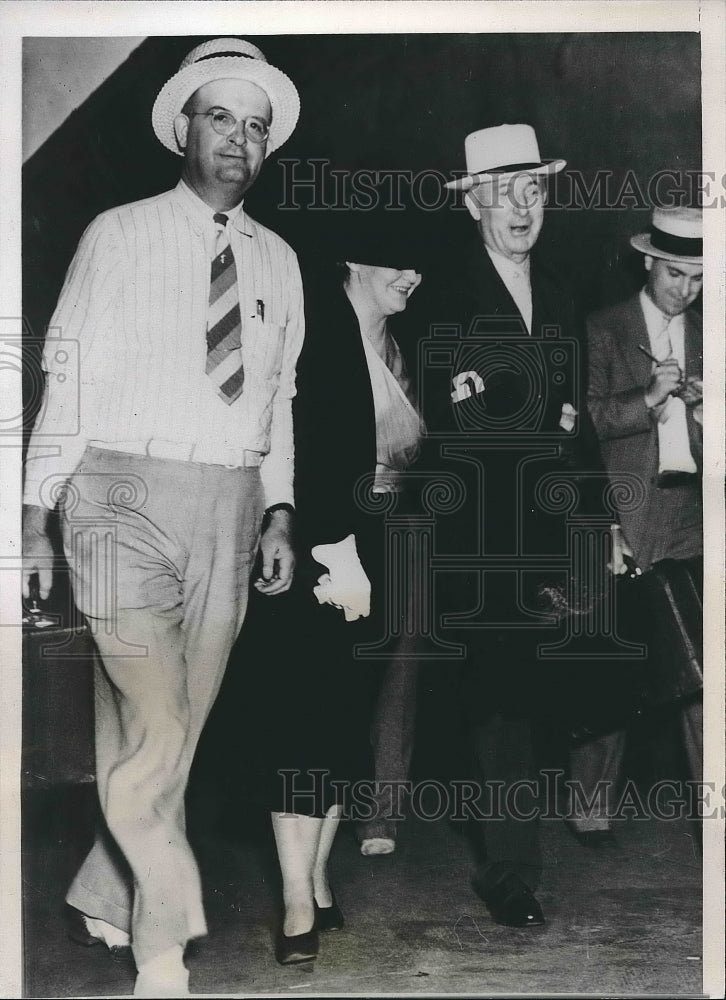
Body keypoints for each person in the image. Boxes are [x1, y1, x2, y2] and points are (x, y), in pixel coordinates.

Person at [21, 37, 304, 997]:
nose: (240, 139)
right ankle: (164, 946)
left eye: (256, 126)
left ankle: (109, 891)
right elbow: (65, 379)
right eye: (221, 116)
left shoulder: (281, 262)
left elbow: (281, 403)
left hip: (228, 504)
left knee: (171, 729)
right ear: (183, 127)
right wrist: (28, 516)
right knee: (157, 720)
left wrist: (278, 514)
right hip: (117, 501)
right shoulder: (119, 233)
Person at [235, 211, 424, 964]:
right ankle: (291, 903)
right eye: (393, 262)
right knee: (299, 722)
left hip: (375, 546)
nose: (410, 275)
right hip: (316, 544)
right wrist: (331, 547)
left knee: (344, 718)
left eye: (416, 265)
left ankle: (315, 879)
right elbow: (292, 449)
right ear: (352, 262)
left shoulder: (394, 346)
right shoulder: (313, 331)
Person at [432, 123, 607, 927]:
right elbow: (457, 422)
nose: (521, 208)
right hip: (479, 538)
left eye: (533, 190)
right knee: (497, 701)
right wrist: (545, 417)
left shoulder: (564, 294)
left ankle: (516, 851)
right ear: (473, 206)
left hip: (552, 527)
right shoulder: (447, 295)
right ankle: (511, 871)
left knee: (539, 697)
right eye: (502, 193)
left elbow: (573, 428)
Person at [568, 205, 703, 846]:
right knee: (615, 658)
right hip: (626, 514)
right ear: (648, 260)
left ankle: (712, 803)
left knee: (704, 667)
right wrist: (647, 400)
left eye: (699, 279)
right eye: (676, 274)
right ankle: (591, 807)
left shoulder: (713, 332)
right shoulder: (602, 330)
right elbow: (582, 425)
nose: (686, 290)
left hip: (694, 515)